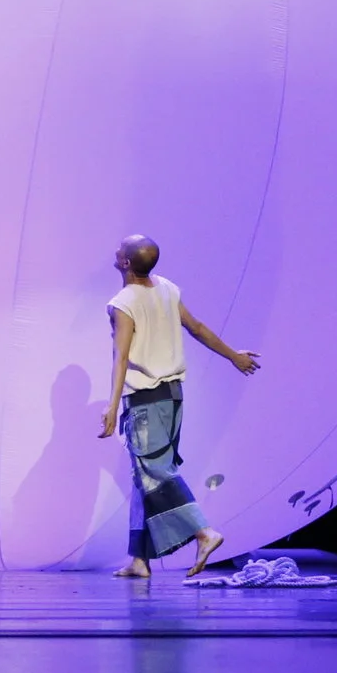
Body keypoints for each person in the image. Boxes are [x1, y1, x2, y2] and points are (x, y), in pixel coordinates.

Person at [98, 233, 261, 578]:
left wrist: (112, 406)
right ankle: (140, 559)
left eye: (120, 248)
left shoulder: (122, 304)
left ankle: (203, 532)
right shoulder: (167, 288)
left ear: (125, 262)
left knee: (156, 472)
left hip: (146, 400)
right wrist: (233, 356)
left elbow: (121, 357)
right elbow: (197, 328)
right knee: (144, 476)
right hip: (172, 397)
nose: (115, 249)